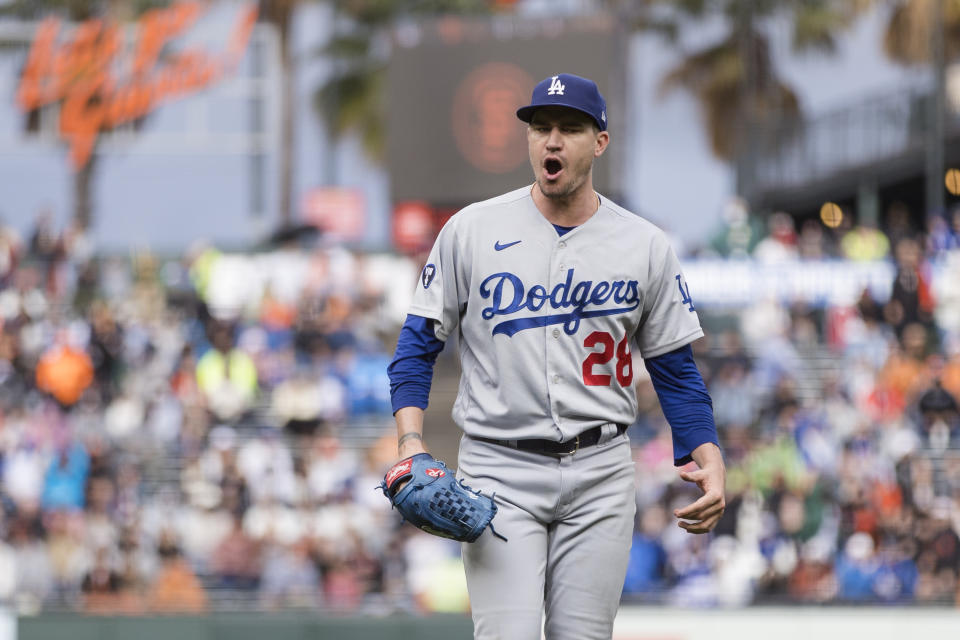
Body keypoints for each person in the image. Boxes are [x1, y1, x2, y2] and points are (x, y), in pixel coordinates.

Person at [387, 73, 725, 639]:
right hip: (500, 467)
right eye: (540, 127)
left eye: (569, 128)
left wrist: (707, 452)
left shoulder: (644, 244)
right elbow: (416, 346)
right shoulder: (471, 230)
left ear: (599, 142)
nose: (551, 140)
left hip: (601, 469)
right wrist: (411, 441)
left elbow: (675, 369)